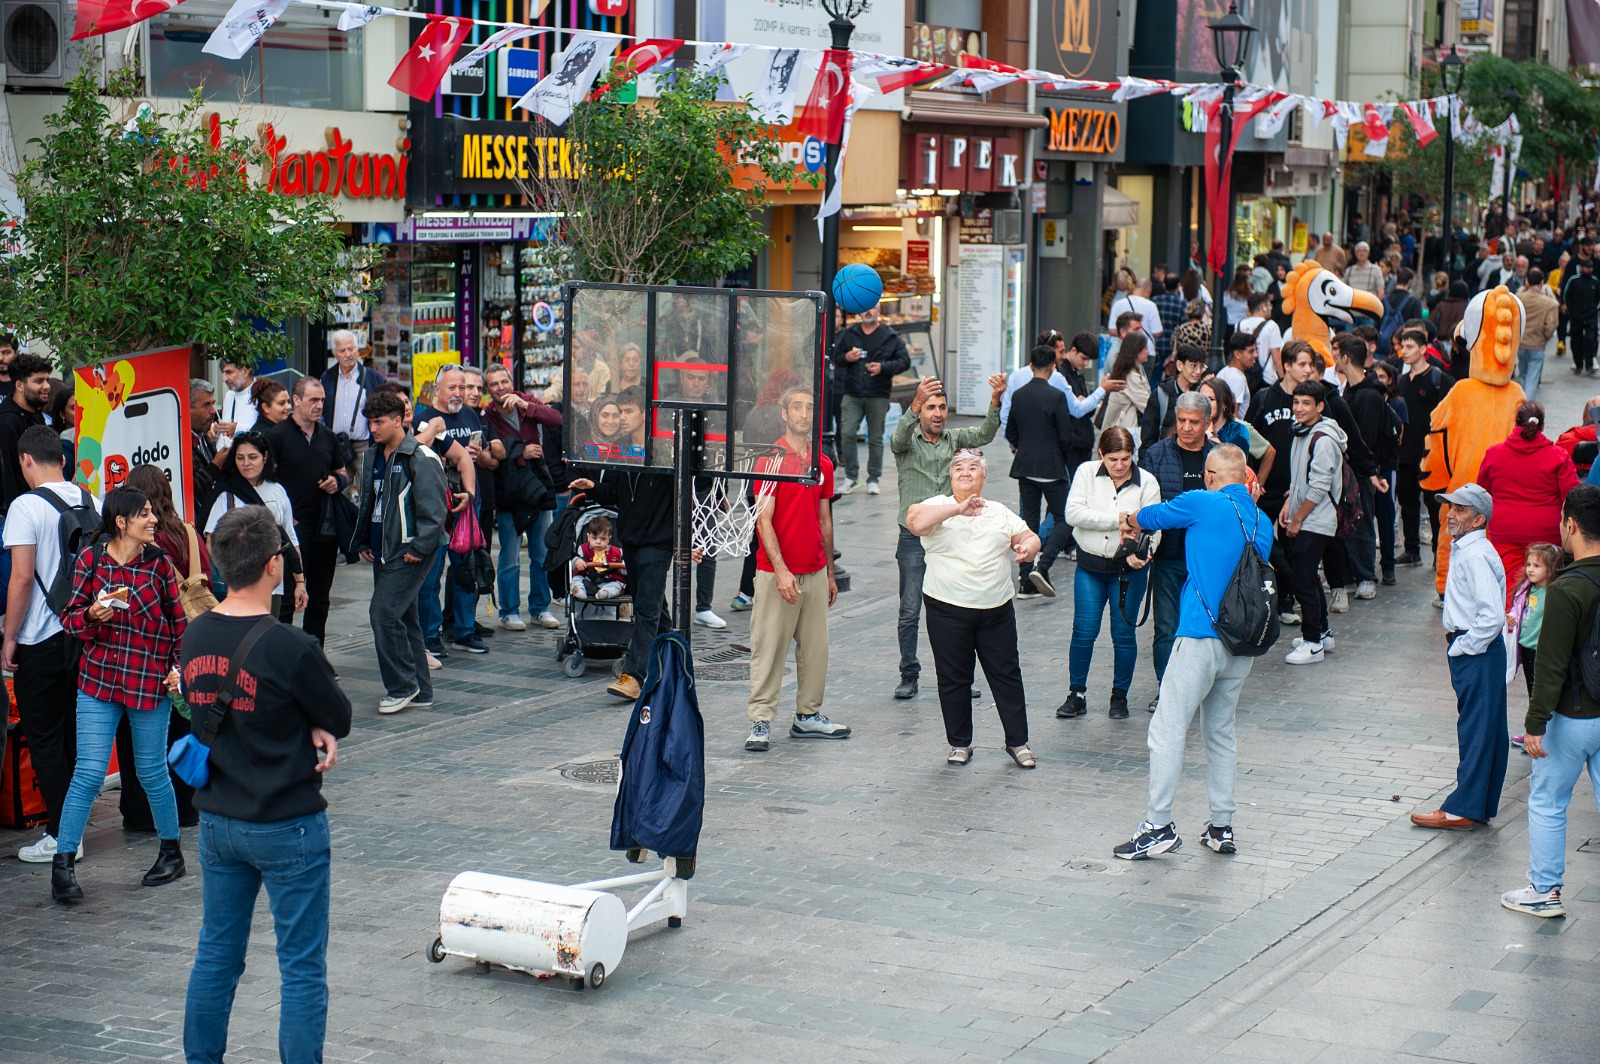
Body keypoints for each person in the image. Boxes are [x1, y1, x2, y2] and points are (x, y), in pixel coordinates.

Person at [180, 504, 352, 1063]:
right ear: (274, 565)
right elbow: (339, 715)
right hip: (287, 823)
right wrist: (317, 726)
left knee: (216, 956)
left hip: (219, 822)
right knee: (301, 969)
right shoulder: (291, 646)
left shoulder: (196, 635)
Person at [1113, 444, 1273, 860]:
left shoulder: (1204, 502)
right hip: (1240, 644)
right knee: (1220, 733)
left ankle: (1159, 824)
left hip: (1199, 637)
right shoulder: (1263, 521)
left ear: (1210, 476)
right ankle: (1221, 826)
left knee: (1167, 730)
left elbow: (1156, 515)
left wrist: (1129, 519)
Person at [50, 486, 189, 902]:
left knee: (150, 771)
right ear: (120, 522)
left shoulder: (160, 563)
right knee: (89, 772)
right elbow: (70, 620)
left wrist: (178, 669)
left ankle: (171, 852)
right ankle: (63, 865)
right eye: (145, 514)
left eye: (152, 512)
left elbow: (179, 625)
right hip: (100, 681)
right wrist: (92, 613)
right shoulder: (91, 560)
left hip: (149, 681)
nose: (154, 520)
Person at [906, 449, 1039, 767]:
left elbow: (1029, 536)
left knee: (1006, 674)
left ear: (984, 477)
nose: (965, 471)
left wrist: (1026, 547)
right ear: (950, 476)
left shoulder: (999, 511)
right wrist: (957, 509)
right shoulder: (938, 505)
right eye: (958, 468)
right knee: (953, 677)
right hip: (947, 608)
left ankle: (1018, 742)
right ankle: (960, 742)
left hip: (996, 608)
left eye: (973, 467)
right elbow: (914, 521)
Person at [1502, 486, 1600, 918]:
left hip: (1574, 716)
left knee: (1547, 800)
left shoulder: (1566, 590)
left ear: (1572, 525)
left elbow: (1551, 664)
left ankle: (1544, 891)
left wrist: (1534, 724)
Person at [3, 426, 99, 863]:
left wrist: (9, 639)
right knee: (74, 737)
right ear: (61, 458)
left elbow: (21, 577)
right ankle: (74, 826)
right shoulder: (87, 497)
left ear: (26, 460)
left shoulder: (25, 506)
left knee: (44, 738)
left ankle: (65, 836)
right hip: (82, 634)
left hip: (40, 638)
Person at [743, 387, 850, 752]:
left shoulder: (822, 463)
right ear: (784, 414)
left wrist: (831, 572)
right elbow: (764, 521)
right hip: (777, 572)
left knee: (816, 650)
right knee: (769, 648)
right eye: (797, 407)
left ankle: (807, 717)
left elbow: (825, 519)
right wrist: (783, 570)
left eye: (809, 407)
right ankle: (760, 720)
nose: (804, 414)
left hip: (816, 570)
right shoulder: (770, 460)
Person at [888, 373, 1005, 700]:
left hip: (950, 537)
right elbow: (896, 439)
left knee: (958, 607)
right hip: (912, 538)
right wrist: (914, 401)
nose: (937, 413)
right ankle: (908, 674)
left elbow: (985, 433)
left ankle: (960, 678)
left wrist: (995, 399)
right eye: (930, 408)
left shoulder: (955, 440)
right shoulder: (908, 442)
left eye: (942, 407)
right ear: (920, 412)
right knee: (910, 609)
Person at [1411, 484, 1509, 831]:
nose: (1451, 513)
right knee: (1486, 729)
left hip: (1476, 650)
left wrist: (1463, 646)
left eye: (1461, 509)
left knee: (1476, 730)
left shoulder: (1474, 554)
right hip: (1480, 650)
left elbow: (1492, 616)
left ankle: (1462, 808)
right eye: (1451, 506)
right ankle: (1477, 804)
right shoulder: (1470, 549)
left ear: (1478, 518)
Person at [121, 463, 209, 831]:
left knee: (143, 732)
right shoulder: (189, 531)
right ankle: (190, 806)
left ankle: (142, 812)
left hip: (154, 644)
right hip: (195, 636)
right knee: (186, 722)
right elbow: (208, 572)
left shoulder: (142, 544)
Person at [352, 390, 448, 715]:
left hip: (408, 552)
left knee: (382, 613)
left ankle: (402, 687)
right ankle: (421, 692)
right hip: (383, 550)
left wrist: (419, 548)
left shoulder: (421, 457)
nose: (373, 428)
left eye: (379, 422)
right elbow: (371, 503)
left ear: (398, 420)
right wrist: (364, 539)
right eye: (370, 422)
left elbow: (435, 513)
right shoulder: (372, 456)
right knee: (406, 621)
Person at [1061, 427, 1162, 721]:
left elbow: (1155, 525)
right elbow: (1073, 514)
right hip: (1091, 566)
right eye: (1113, 459)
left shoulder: (1148, 483)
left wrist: (1144, 552)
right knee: (1084, 631)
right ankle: (1076, 694)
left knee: (1123, 634)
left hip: (1128, 571)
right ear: (1101, 455)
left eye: (1126, 459)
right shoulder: (1086, 473)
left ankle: (1120, 696)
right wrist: (1120, 520)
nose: (1119, 466)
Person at [1140, 392, 1215, 710]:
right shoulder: (1156, 454)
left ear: (1207, 423)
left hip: (1208, 560)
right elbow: (1144, 502)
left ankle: (1199, 688)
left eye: (1194, 422)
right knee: (1167, 627)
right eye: (1181, 420)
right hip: (1168, 555)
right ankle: (1167, 689)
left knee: (1205, 628)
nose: (1186, 428)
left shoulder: (1219, 457)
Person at [482, 363, 563, 631]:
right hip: (510, 490)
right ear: (488, 389)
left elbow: (555, 418)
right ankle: (508, 611)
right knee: (510, 555)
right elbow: (493, 453)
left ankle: (540, 608)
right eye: (494, 384)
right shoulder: (488, 415)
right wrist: (520, 453)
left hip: (537, 487)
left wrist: (527, 406)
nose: (500, 388)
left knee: (541, 553)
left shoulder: (525, 401)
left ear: (511, 381)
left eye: (503, 382)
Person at [264, 378, 346, 642]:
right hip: (292, 528)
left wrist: (338, 481)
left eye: (322, 400)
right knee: (287, 597)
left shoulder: (328, 437)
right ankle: (283, 657)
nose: (319, 405)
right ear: (296, 401)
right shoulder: (276, 436)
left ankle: (314, 656)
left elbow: (342, 471)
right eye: (313, 400)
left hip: (324, 526)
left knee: (320, 597)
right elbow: (263, 481)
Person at [1476, 401, 1578, 596]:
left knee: (1509, 586)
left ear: (1516, 424)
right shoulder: (1558, 456)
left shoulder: (1494, 454)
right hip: (1546, 534)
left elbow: (1482, 491)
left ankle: (1510, 624)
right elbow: (1572, 496)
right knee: (1544, 586)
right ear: (1542, 426)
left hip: (1505, 531)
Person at [1280, 381, 1347, 664]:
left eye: (1306, 403)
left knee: (1302, 580)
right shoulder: (1302, 432)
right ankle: (1322, 632)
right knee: (1308, 577)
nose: (1299, 408)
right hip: (1308, 517)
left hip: (1316, 520)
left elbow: (1318, 488)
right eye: (1296, 402)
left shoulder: (1323, 439)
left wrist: (1297, 518)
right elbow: (1299, 482)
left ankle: (1312, 643)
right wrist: (1288, 504)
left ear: (1319, 406)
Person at [204, 432, 306, 618]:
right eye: (240, 458)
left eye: (253, 457)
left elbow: (289, 538)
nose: (246, 463)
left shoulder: (277, 491)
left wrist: (300, 582)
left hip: (274, 582)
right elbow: (211, 540)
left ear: (265, 457)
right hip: (238, 584)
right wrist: (229, 573)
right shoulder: (226, 493)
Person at [1006, 344, 1076, 599]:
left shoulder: (1019, 394)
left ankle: (1026, 582)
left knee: (1029, 523)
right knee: (1065, 518)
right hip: (1051, 467)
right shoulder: (1056, 396)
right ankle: (1043, 567)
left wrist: (1020, 447)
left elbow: (1010, 431)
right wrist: (1059, 456)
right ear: (1053, 366)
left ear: (1031, 365)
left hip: (1025, 467)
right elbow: (1066, 436)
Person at [1333, 334, 1391, 599]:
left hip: (1361, 470)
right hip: (1351, 469)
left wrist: (1369, 472)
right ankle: (1347, 575)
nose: (1334, 358)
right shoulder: (1351, 391)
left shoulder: (1367, 395)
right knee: (1347, 521)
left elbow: (1364, 439)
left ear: (1346, 358)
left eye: (1337, 354)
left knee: (1362, 521)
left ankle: (1366, 577)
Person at [831, 304, 911, 495]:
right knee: (847, 433)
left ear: (879, 311)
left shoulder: (890, 336)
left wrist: (883, 367)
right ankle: (851, 477)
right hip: (852, 392)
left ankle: (873, 478)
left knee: (875, 438)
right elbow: (835, 356)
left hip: (878, 393)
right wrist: (847, 357)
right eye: (865, 308)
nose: (868, 312)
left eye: (873, 308)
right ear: (859, 312)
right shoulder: (850, 333)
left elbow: (904, 361)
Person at [1396, 329, 1453, 566]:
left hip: (1431, 455)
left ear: (1423, 349)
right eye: (1402, 347)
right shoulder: (1401, 381)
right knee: (1407, 505)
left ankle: (1439, 556)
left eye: (1409, 347)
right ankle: (1412, 551)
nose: (1404, 352)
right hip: (1404, 455)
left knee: (1434, 507)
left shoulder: (1438, 379)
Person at [320, 330, 387, 497]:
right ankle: (346, 524)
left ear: (357, 350)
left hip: (365, 444)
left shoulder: (373, 377)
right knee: (339, 494)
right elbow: (321, 411)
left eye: (351, 349)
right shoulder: (327, 378)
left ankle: (366, 524)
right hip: (337, 444)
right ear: (335, 353)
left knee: (369, 492)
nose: (348, 354)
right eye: (343, 350)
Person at [1508, 543, 1561, 706]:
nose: (1530, 569)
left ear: (1551, 570)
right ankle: (1536, 729)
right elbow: (1518, 609)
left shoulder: (1555, 594)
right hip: (1527, 649)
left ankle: (1539, 729)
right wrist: (1512, 617)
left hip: (1543, 652)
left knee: (1541, 694)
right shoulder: (1526, 589)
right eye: (1529, 565)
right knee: (1532, 692)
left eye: (1537, 566)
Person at [0, 352, 52, 514]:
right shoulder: (7, 421)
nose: (46, 386)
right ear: (19, 386)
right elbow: (7, 475)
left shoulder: (36, 415)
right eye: (38, 381)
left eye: (47, 380)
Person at [1139, 343, 1208, 455]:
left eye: (1202, 367)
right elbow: (1148, 437)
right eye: (1193, 366)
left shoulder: (1203, 393)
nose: (1198, 371)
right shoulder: (1162, 393)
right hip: (1164, 458)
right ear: (1180, 365)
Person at [1198, 379, 1273, 478]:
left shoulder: (1238, 429)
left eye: (1211, 399)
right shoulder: (1193, 426)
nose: (1204, 404)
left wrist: (1257, 484)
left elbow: (1230, 465)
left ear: (1224, 404)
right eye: (1201, 399)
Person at [1096, 333, 1151, 447]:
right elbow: (1146, 404)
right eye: (1145, 348)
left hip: (1117, 430)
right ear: (1137, 351)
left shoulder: (1131, 369)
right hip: (1123, 432)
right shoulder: (1130, 375)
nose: (1148, 351)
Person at [1517, 267, 1559, 401]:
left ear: (1527, 281)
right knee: (1532, 378)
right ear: (1542, 282)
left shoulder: (1518, 298)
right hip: (1537, 344)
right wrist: (1545, 337)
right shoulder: (1549, 303)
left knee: (1523, 375)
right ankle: (1527, 407)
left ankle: (1521, 403)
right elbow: (1551, 326)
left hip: (1520, 342)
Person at [190, 379, 225, 519]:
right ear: (187, 408)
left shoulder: (203, 436)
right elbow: (192, 490)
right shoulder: (179, 445)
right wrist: (216, 465)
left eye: (212, 403)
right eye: (206, 405)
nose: (213, 411)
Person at [1562, 255, 1600, 376]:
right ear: (1581, 268)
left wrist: (1595, 308)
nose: (1590, 270)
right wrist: (1571, 310)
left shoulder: (1595, 281)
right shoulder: (1574, 280)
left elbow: (1598, 297)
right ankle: (1578, 364)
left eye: (1591, 267)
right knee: (1576, 340)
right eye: (1587, 268)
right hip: (1576, 317)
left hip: (1590, 316)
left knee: (1591, 339)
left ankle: (1589, 364)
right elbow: (1567, 295)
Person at [573, 516, 626, 599]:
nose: (598, 542)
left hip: (610, 580)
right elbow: (574, 564)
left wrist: (624, 566)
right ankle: (579, 590)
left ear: (609, 539)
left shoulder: (617, 552)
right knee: (577, 579)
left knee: (617, 585)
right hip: (589, 579)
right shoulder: (583, 549)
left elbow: (624, 569)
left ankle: (605, 593)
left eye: (603, 539)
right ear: (588, 537)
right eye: (594, 538)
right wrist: (577, 561)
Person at [1235, 293, 1282, 385]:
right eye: (1269, 305)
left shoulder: (1239, 325)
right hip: (1266, 378)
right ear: (1264, 307)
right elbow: (1277, 359)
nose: (1271, 308)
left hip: (1243, 377)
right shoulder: (1271, 326)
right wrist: (1283, 380)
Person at [1215, 332, 1258, 415]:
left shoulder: (1224, 371)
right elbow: (1233, 414)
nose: (1256, 355)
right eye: (1251, 351)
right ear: (1237, 354)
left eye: (1256, 350)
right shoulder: (1237, 378)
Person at [1344, 242, 1385, 327]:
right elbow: (1343, 290)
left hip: (1368, 315)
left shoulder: (1376, 270)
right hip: (1351, 315)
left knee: (1368, 339)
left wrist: (1373, 309)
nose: (1361, 253)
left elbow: (1381, 292)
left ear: (1368, 253)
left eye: (1364, 251)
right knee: (1349, 339)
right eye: (1359, 251)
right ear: (1355, 253)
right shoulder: (1349, 270)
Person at [219, 360, 258, 434]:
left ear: (245, 371)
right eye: (223, 373)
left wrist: (238, 429)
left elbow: (270, 430)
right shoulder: (229, 395)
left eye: (229, 372)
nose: (224, 379)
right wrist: (217, 432)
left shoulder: (263, 393)